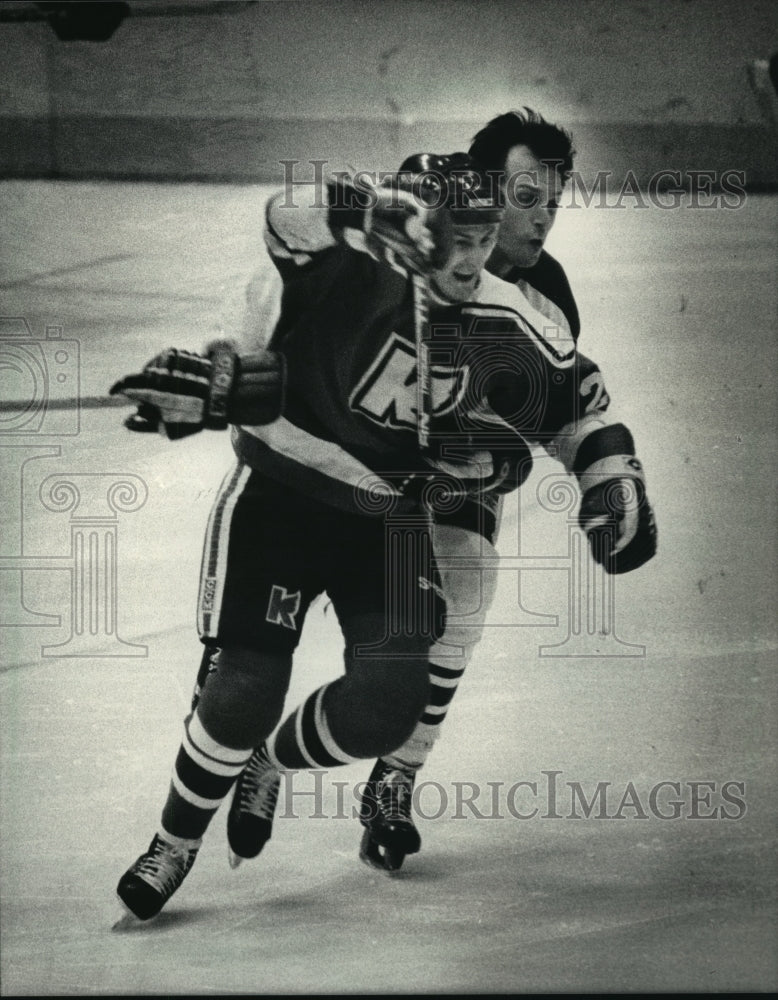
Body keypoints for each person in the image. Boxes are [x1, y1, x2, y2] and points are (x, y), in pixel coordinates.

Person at [222, 111, 658, 874]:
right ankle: (230, 689)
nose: (542, 218)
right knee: (269, 576)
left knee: (467, 586)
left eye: (553, 201)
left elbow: (550, 415)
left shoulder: (545, 300)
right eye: (525, 197)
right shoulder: (411, 220)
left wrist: (600, 470)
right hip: (352, 449)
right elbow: (304, 266)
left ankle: (394, 776)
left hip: (448, 469)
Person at [111, 153, 536, 921]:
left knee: (392, 697)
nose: (464, 255)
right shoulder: (333, 259)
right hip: (286, 495)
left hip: (390, 518)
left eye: (479, 238)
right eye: (445, 234)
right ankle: (174, 839)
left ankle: (283, 762)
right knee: (242, 691)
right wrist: (212, 382)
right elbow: (278, 240)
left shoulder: (493, 308)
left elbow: (518, 419)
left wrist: (495, 458)